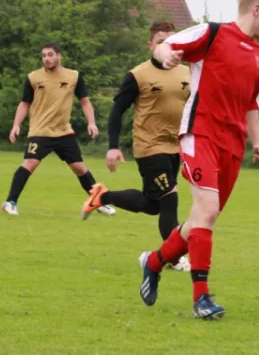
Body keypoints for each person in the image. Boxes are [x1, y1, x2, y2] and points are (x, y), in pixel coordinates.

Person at [136, 0, 259, 320]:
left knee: (202, 217)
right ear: (255, 9)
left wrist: (256, 143)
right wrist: (165, 55)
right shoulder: (213, 33)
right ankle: (202, 298)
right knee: (207, 210)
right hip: (199, 134)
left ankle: (153, 262)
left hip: (232, 145)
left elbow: (252, 104)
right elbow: (167, 45)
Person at [80, 21, 191, 272]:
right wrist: (113, 145)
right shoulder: (138, 75)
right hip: (149, 147)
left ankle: (102, 196)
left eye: (172, 41)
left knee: (152, 206)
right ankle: (173, 257)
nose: (167, 46)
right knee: (169, 199)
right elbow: (118, 110)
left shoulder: (187, 72)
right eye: (161, 41)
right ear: (150, 45)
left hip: (176, 148)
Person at [1, 43, 116, 217]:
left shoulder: (73, 76)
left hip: (63, 132)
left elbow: (85, 101)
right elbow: (25, 103)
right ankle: (10, 202)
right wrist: (16, 125)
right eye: (43, 55)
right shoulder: (33, 78)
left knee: (80, 168)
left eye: (50, 55)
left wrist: (91, 123)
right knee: (30, 163)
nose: (46, 58)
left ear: (59, 56)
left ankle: (97, 202)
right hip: (40, 131)